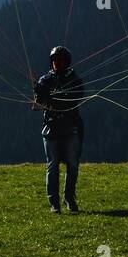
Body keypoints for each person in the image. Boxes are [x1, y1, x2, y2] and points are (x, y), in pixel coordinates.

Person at [33, 45, 84, 213]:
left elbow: (74, 99)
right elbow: (39, 103)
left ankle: (69, 198)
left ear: (66, 62)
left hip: (70, 126)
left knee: (73, 164)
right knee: (52, 165)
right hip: (51, 127)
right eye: (54, 60)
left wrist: (48, 96)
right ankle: (54, 203)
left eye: (60, 60)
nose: (57, 63)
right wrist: (39, 92)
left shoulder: (74, 79)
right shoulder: (45, 79)